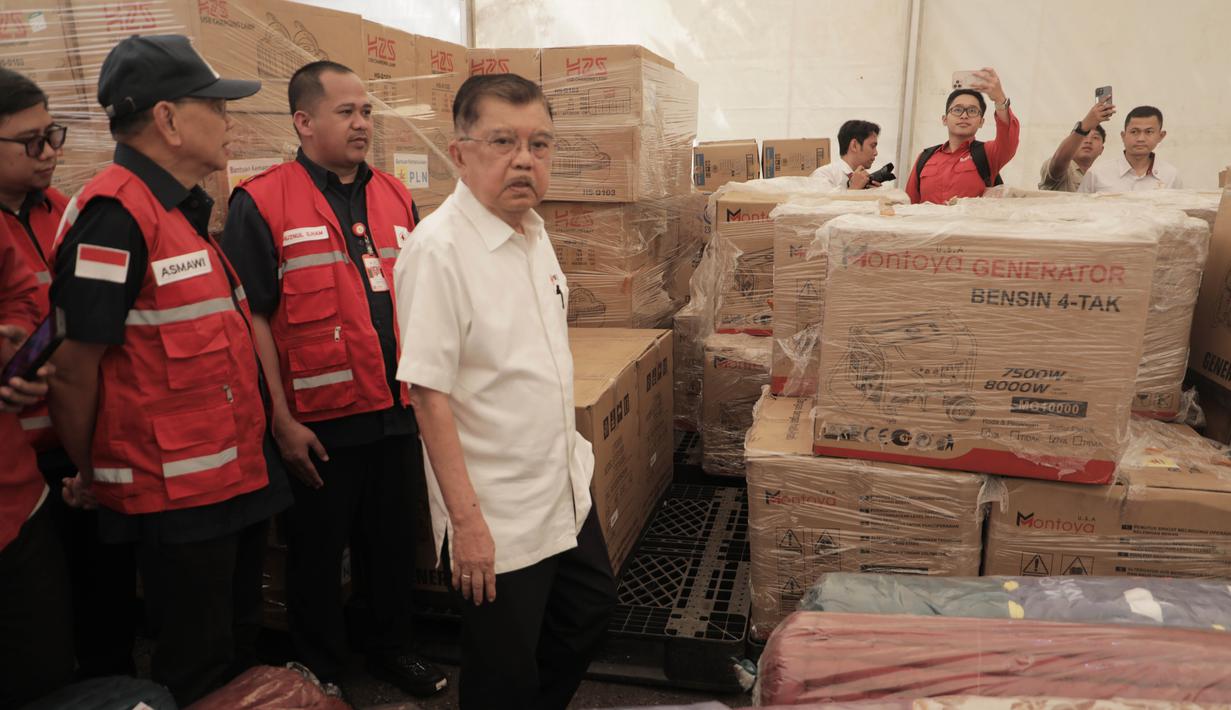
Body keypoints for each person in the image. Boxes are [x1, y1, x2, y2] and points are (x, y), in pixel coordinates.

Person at [48, 35, 291, 705]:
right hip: (178, 500)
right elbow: (74, 370)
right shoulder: (113, 220)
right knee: (197, 662)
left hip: (232, 478)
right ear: (168, 119)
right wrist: (92, 470)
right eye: (216, 105)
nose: (228, 121)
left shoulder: (177, 210)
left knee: (238, 645)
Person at [220, 60, 445, 697]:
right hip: (319, 422)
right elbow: (254, 318)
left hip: (395, 409)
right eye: (346, 112)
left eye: (367, 111)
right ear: (304, 121)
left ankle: (392, 650)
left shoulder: (396, 196)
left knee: (392, 545)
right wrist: (281, 421)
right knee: (317, 558)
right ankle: (321, 672)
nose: (362, 124)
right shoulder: (261, 201)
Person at [393, 73, 617, 710]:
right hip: (495, 513)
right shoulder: (439, 253)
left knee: (588, 612)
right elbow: (426, 395)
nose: (524, 159)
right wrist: (467, 526)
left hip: (560, 485)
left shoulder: (532, 231)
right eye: (502, 142)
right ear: (460, 152)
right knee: (502, 671)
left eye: (539, 144)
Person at [0, 67, 139, 681]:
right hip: (18, 470)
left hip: (80, 440)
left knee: (104, 598)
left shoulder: (65, 213)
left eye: (52, 133)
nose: (51, 152)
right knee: (39, 627)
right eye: (31, 142)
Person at [0, 218, 74, 709]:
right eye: (30, 141)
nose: (48, 152)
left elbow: (22, 295)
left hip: (17, 499)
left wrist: (13, 340)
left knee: (42, 670)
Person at [906, 68, 1019, 204]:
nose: (964, 115)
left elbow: (1008, 139)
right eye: (957, 110)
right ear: (944, 119)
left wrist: (1000, 99)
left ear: (981, 122)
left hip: (971, 225)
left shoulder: (988, 154)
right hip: (927, 225)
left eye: (972, 111)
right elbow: (909, 204)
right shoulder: (925, 158)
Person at [1079, 106, 1182, 192]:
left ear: (1161, 136)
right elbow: (1079, 211)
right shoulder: (1097, 173)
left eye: (1149, 132)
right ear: (1123, 136)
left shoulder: (1170, 175)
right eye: (1134, 132)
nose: (1141, 139)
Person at [1039, 99, 1115, 192]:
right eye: (1084, 137)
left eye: (1095, 137)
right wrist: (1083, 127)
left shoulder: (1102, 177)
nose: (1088, 141)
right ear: (1073, 142)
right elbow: (1058, 163)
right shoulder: (1066, 169)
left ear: (1101, 150)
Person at [811, 120, 881, 189]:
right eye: (872, 146)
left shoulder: (865, 180)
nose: (876, 153)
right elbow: (820, 200)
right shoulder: (823, 175)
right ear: (854, 146)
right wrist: (854, 189)